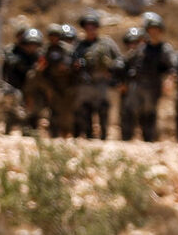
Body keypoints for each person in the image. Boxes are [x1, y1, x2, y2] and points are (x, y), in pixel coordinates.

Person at [124, 11, 175, 141]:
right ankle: (127, 140)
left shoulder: (164, 49)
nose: (153, 32)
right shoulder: (141, 48)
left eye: (156, 29)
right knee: (130, 111)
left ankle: (149, 140)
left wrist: (169, 81)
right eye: (151, 29)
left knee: (149, 113)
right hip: (137, 84)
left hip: (153, 86)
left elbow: (172, 68)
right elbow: (127, 63)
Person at [72, 11, 120, 140]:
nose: (90, 30)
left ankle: (103, 137)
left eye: (93, 26)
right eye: (88, 27)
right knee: (85, 110)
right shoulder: (79, 45)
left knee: (103, 110)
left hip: (101, 82)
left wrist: (111, 70)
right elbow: (73, 63)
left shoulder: (107, 43)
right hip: (85, 83)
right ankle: (89, 138)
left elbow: (119, 61)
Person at [27, 23, 75, 138]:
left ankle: (66, 134)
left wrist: (67, 69)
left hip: (65, 85)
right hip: (50, 84)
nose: (54, 38)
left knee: (65, 113)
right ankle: (52, 135)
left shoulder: (67, 50)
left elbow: (73, 66)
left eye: (56, 36)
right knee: (52, 111)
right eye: (51, 36)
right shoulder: (45, 50)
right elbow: (39, 69)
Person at [2, 27, 43, 134]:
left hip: (30, 90)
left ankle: (30, 130)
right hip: (14, 87)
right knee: (13, 113)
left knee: (32, 113)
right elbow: (10, 63)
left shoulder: (36, 55)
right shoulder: (13, 51)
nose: (32, 47)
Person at [115, 25, 143, 141]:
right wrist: (119, 84)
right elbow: (114, 76)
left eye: (136, 42)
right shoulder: (122, 60)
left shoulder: (145, 59)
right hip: (127, 95)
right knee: (126, 118)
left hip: (142, 94)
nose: (133, 46)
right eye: (130, 42)